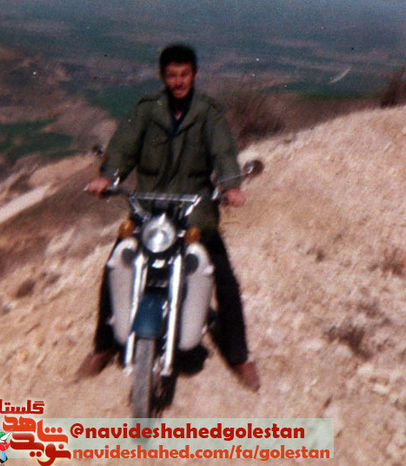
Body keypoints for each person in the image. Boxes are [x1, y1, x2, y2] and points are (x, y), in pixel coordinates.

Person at [77, 44, 260, 391]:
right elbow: (123, 147)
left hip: (195, 209)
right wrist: (108, 177)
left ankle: (239, 357)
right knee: (116, 265)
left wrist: (231, 186)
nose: (179, 82)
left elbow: (223, 151)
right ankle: (103, 346)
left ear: (195, 74)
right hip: (149, 207)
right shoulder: (147, 110)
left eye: (185, 74)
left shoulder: (208, 113)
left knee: (224, 278)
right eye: (172, 75)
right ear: (163, 76)